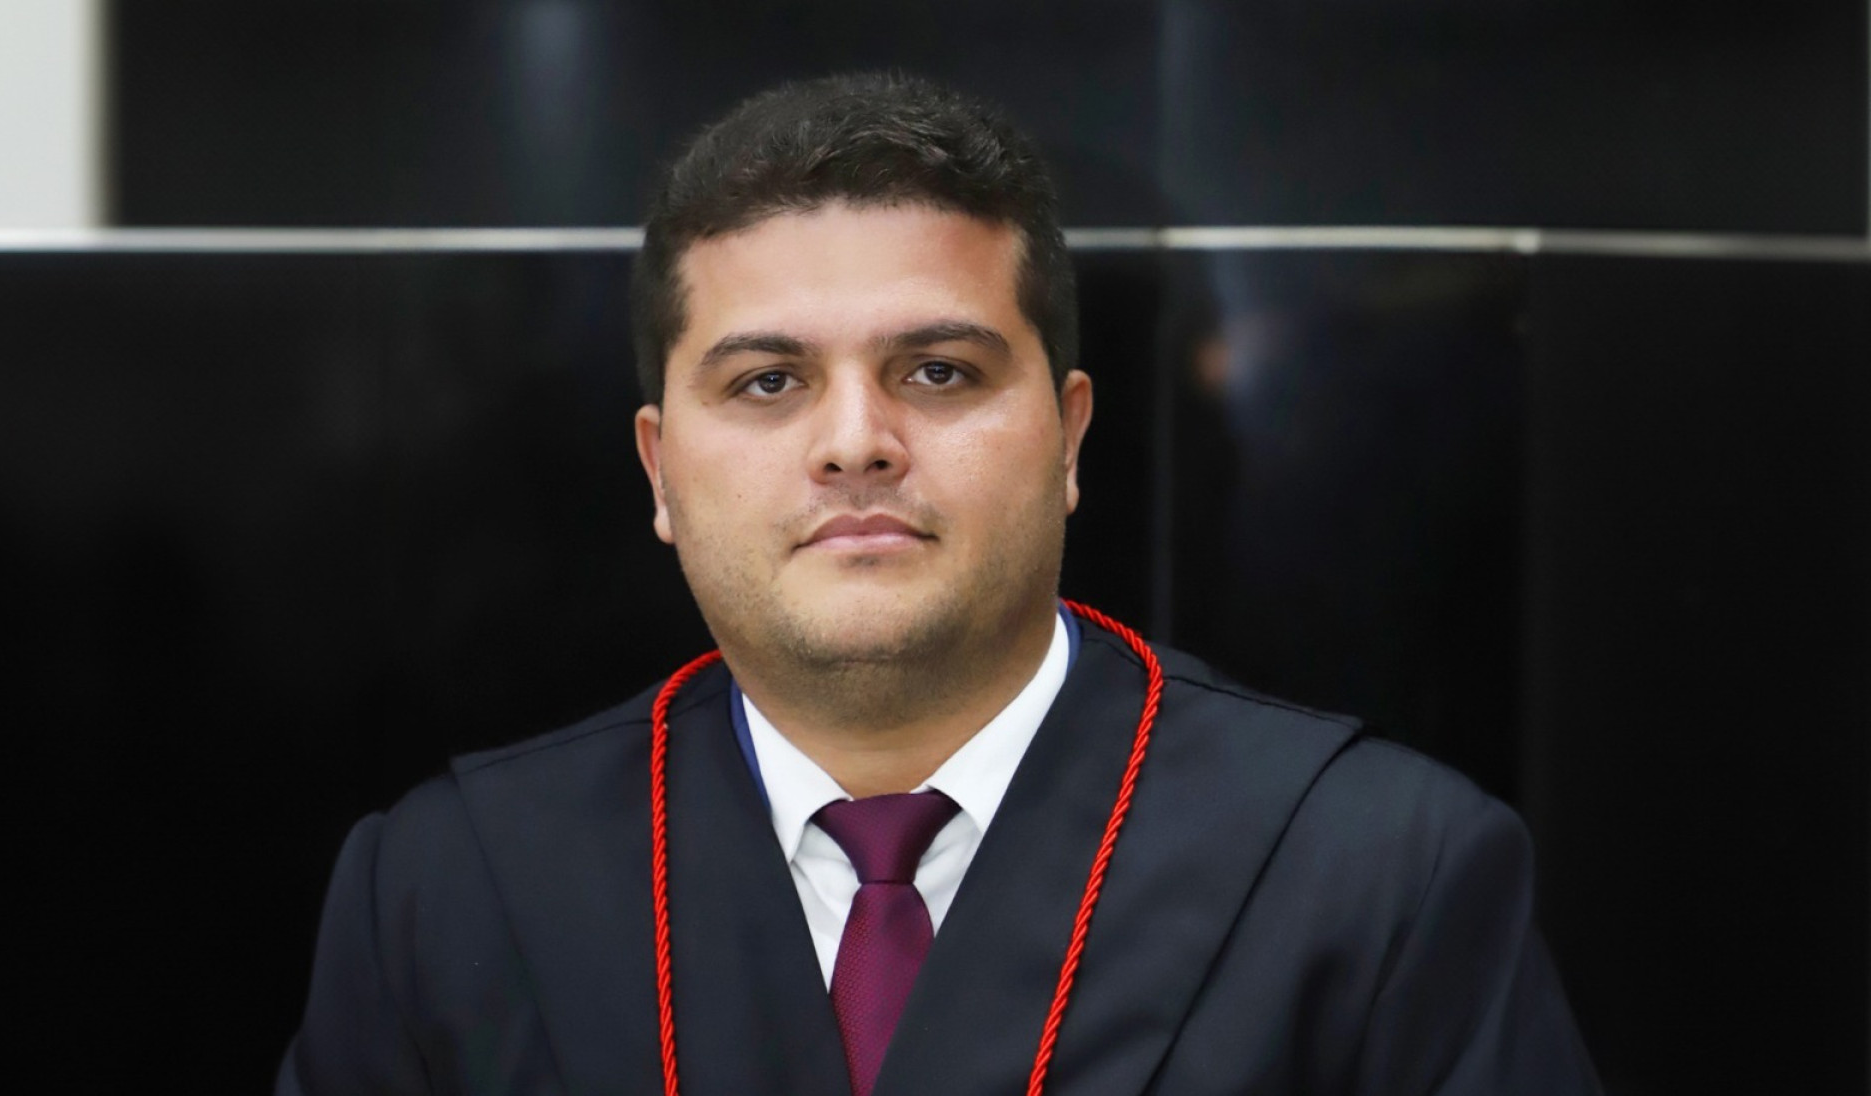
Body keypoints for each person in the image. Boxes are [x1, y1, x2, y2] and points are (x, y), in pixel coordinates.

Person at [278, 72, 1600, 1096]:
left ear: (1070, 440)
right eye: (768, 382)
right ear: (661, 470)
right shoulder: (447, 894)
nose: (856, 441)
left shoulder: (1381, 876)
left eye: (939, 372)